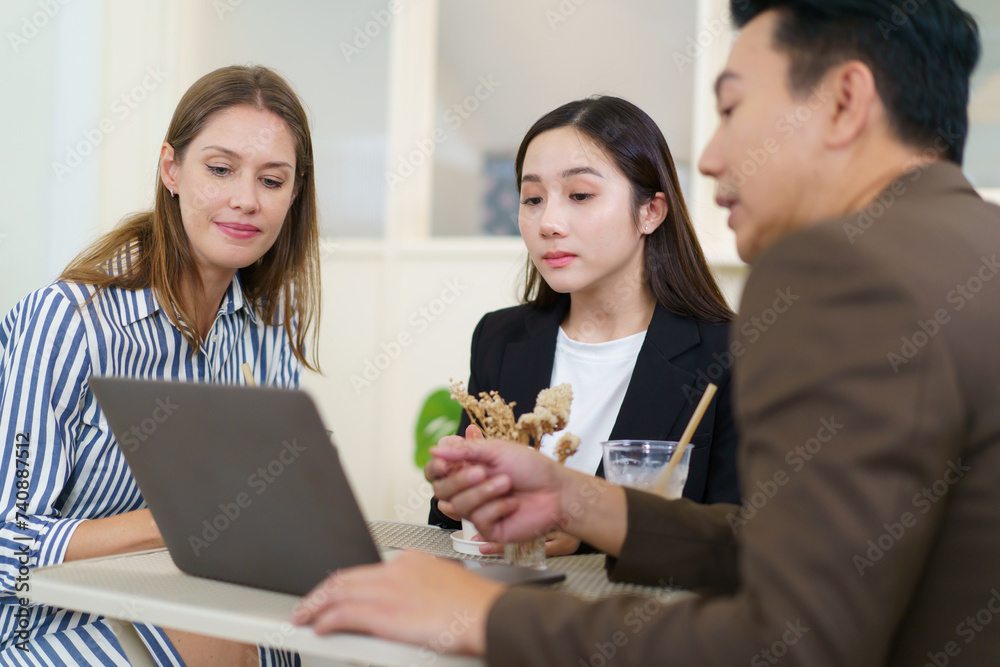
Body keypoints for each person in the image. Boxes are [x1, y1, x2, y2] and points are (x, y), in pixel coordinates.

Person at [294, 1, 1000, 665]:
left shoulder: (840, 269)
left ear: (845, 102)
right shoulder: (970, 248)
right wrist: (575, 498)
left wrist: (482, 616)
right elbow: (805, 553)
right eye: (532, 198)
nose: (712, 156)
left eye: (732, 109)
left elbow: (786, 641)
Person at [0, 65, 318, 666]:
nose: (246, 199)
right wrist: (177, 522)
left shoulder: (264, 332)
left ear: (293, 194)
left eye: (272, 180)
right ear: (171, 169)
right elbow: (5, 544)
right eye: (220, 169)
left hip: (188, 602)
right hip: (40, 626)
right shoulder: (69, 321)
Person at [428, 96, 740, 556]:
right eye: (532, 199)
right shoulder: (500, 338)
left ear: (650, 211)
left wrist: (589, 532)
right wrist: (459, 496)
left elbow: (743, 541)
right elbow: (453, 526)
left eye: (579, 195)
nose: (548, 223)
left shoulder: (730, 353)